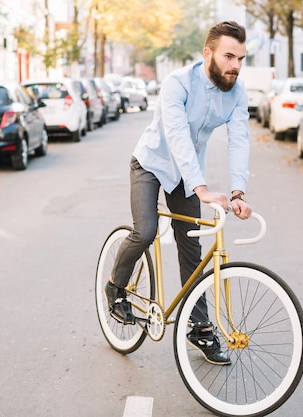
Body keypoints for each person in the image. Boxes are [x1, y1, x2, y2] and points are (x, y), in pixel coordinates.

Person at [104, 21, 252, 366]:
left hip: (186, 175)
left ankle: (199, 327)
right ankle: (115, 286)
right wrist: (201, 188)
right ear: (208, 54)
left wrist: (238, 190)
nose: (235, 65)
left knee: (191, 244)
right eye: (229, 56)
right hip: (151, 164)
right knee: (145, 231)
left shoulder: (237, 91)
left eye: (241, 58)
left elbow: (239, 139)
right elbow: (177, 136)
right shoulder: (177, 83)